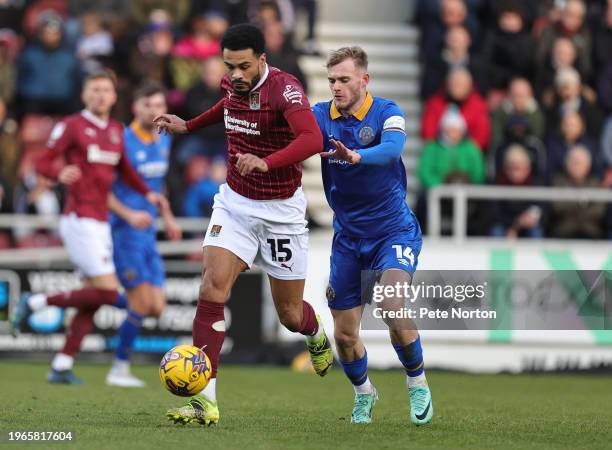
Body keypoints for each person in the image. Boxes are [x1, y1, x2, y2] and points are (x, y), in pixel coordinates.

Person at [153, 24, 332, 426]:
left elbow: (312, 138)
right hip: (234, 204)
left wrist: (267, 161)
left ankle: (315, 331)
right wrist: (190, 125)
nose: (235, 74)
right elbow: (228, 111)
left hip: (281, 211)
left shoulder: (285, 91)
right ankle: (204, 402)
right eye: (229, 66)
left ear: (262, 60)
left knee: (289, 314)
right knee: (211, 287)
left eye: (244, 66)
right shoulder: (231, 85)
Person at [10, 71, 168, 384]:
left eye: (106, 90)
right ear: (85, 95)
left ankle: (62, 365)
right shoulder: (71, 126)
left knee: (93, 300)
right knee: (109, 291)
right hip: (79, 219)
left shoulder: (114, 130)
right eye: (94, 89)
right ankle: (36, 302)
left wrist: (146, 192)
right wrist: (58, 173)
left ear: (113, 97)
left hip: (101, 222)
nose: (100, 95)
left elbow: (125, 169)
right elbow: (43, 163)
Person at [311, 46, 433, 425]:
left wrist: (358, 156)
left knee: (392, 306)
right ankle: (364, 393)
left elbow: (394, 149)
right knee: (345, 337)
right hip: (348, 238)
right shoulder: (319, 116)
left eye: (344, 79)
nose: (336, 87)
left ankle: (417, 383)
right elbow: (295, 140)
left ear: (365, 80)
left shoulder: (387, 112)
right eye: (332, 80)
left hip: (392, 231)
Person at [106, 81, 182, 387]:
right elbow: (104, 191)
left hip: (149, 231)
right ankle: (119, 367)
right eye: (148, 105)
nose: (154, 111)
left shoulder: (165, 139)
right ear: (136, 107)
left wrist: (168, 216)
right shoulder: (122, 141)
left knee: (156, 306)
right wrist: (128, 214)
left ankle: (97, 297)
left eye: (159, 105)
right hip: (125, 231)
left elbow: (157, 185)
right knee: (140, 303)